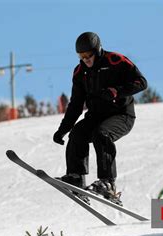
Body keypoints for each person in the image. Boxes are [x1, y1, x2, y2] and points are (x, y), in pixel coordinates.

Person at [53, 32, 147, 204]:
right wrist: (62, 130)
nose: (86, 60)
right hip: (96, 115)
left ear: (97, 50)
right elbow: (75, 105)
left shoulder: (115, 61)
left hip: (121, 115)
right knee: (78, 133)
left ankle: (108, 183)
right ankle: (76, 179)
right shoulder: (80, 72)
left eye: (89, 55)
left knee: (101, 134)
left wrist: (116, 91)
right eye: (82, 57)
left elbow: (141, 82)